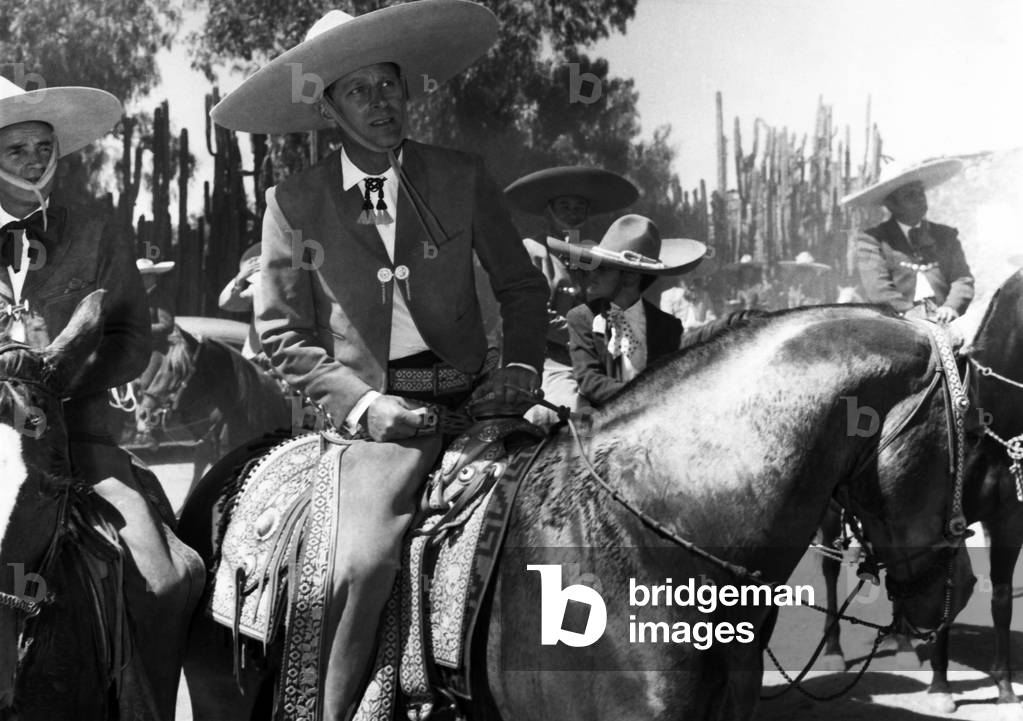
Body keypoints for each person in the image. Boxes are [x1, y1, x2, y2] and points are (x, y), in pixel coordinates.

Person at [209, 3, 548, 719]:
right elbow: (281, 334)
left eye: (387, 84)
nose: (379, 102)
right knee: (362, 562)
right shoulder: (291, 203)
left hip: (477, 395)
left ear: (407, 88)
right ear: (328, 108)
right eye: (357, 91)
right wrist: (366, 405)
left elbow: (521, 287)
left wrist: (519, 369)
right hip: (376, 424)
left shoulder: (461, 176)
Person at [0, 75, 200, 717]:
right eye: (15, 149)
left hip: (78, 439)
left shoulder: (97, 229)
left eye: (42, 145)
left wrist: (54, 385)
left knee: (165, 582)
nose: (34, 160)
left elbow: (132, 339)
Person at [504, 165, 638, 421]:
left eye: (579, 207)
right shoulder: (533, 250)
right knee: (573, 414)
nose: (572, 214)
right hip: (550, 361)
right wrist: (583, 336)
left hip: (599, 358)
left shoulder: (595, 253)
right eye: (565, 206)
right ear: (549, 210)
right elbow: (534, 315)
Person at [561, 214, 706, 407]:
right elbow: (589, 380)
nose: (592, 275)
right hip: (596, 420)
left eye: (602, 269)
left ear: (630, 277)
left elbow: (668, 379)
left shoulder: (667, 327)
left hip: (650, 419)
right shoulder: (582, 317)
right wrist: (641, 396)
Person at [841, 158, 973, 322]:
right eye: (910, 195)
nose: (920, 199)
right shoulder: (872, 240)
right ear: (891, 205)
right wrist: (912, 314)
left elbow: (962, 278)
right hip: (898, 323)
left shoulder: (946, 236)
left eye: (920, 192)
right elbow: (878, 290)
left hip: (946, 319)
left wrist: (951, 307)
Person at [136, 257, 176, 389]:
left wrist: (141, 328)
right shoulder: (138, 297)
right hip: (135, 348)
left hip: (155, 349)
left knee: (144, 386)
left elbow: (167, 326)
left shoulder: (160, 297)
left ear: (151, 277)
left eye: (143, 276)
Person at [217, 243, 261, 359]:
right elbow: (227, 303)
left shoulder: (302, 290)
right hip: (257, 356)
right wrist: (240, 279)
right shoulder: (258, 289)